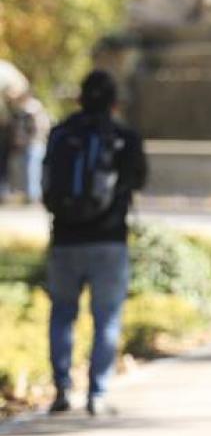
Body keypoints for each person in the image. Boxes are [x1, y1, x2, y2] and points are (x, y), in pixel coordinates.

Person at [45, 70, 148, 415]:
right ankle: (97, 393)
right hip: (109, 240)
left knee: (62, 313)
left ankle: (61, 388)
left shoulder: (61, 133)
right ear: (115, 103)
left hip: (64, 238)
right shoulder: (124, 137)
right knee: (107, 317)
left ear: (79, 98)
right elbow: (139, 179)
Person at [12, 91, 50, 203]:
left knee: (32, 172)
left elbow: (34, 129)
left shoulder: (31, 111)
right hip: (35, 144)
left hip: (34, 144)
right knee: (33, 171)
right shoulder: (36, 111)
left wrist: (24, 140)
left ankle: (33, 196)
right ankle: (32, 195)